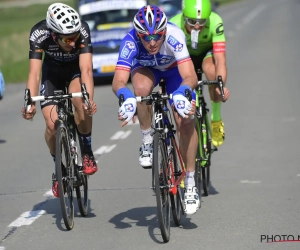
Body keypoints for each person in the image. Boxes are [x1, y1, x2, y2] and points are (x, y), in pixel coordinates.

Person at [112, 5, 200, 215]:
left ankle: (190, 183)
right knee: (140, 91)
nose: (152, 43)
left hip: (174, 74)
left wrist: (183, 92)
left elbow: (191, 76)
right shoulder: (130, 41)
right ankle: (147, 140)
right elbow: (118, 81)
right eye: (146, 38)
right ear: (138, 34)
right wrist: (126, 98)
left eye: (157, 37)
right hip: (146, 71)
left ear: (164, 32)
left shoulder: (174, 36)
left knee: (185, 121)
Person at [21, 3, 98, 197]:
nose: (73, 42)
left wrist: (88, 99)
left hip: (74, 71)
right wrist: (29, 103)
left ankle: (87, 151)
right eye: (67, 39)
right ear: (54, 35)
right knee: (51, 125)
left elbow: (86, 70)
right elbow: (35, 73)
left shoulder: (82, 29)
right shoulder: (38, 34)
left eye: (75, 38)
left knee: (80, 101)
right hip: (51, 74)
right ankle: (59, 168)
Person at [170, 0, 230, 147]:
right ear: (183, 16)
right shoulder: (174, 24)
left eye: (202, 22)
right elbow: (169, 60)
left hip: (206, 53)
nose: (197, 26)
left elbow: (220, 59)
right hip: (185, 57)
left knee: (211, 70)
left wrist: (220, 86)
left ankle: (215, 117)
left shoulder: (215, 21)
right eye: (191, 22)